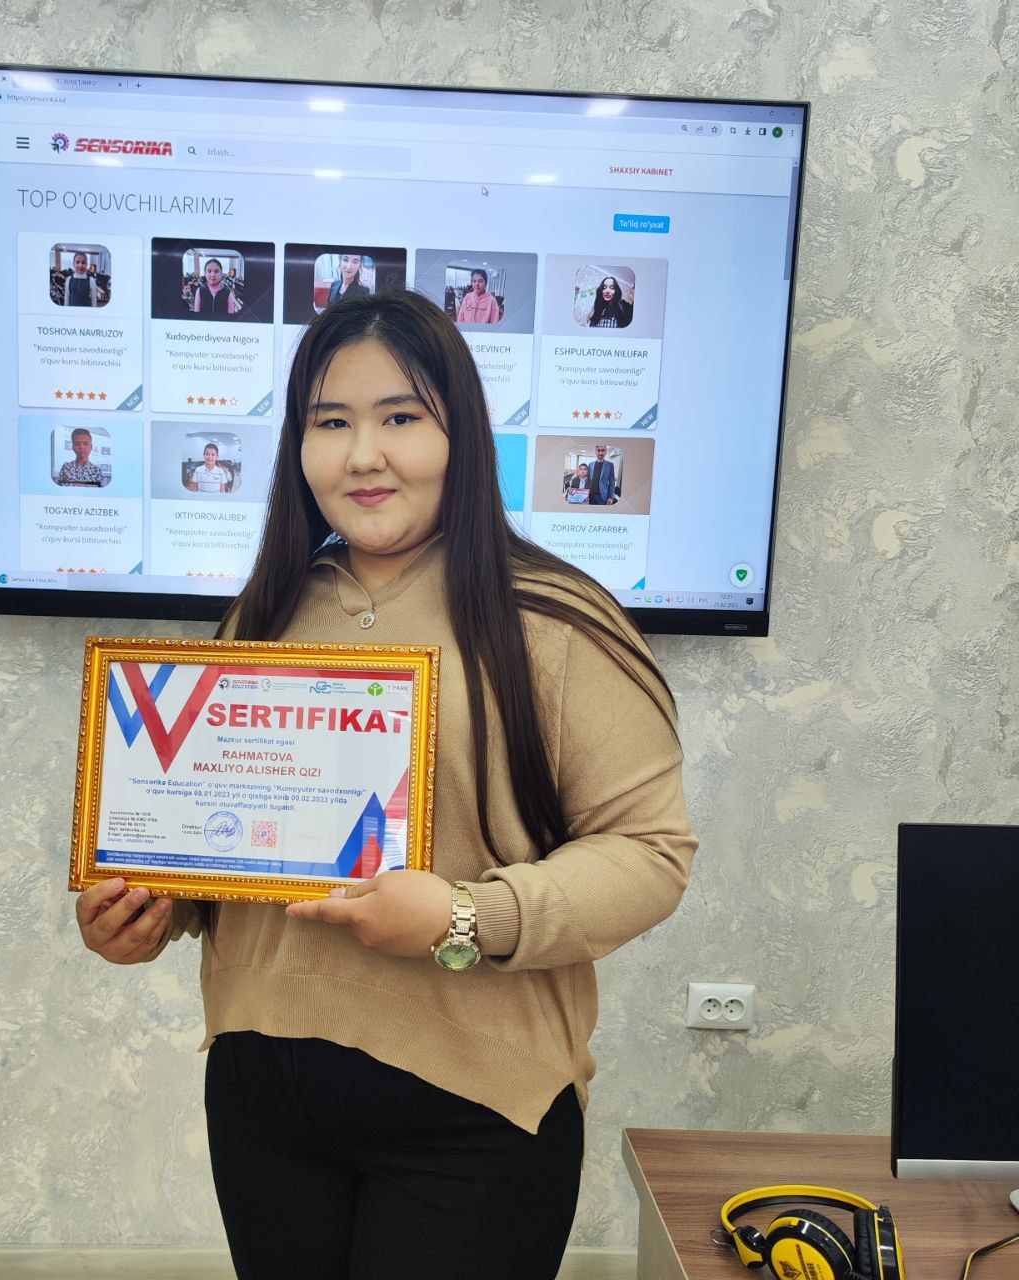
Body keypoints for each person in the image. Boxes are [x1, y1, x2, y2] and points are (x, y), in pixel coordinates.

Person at [75, 290, 695, 1279]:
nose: (362, 454)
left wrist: (463, 915)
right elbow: (237, 839)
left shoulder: (558, 619)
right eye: (330, 423)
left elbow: (651, 854)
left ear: (460, 436)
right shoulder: (263, 613)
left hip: (474, 1118)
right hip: (262, 1100)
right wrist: (156, 908)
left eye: (399, 417)